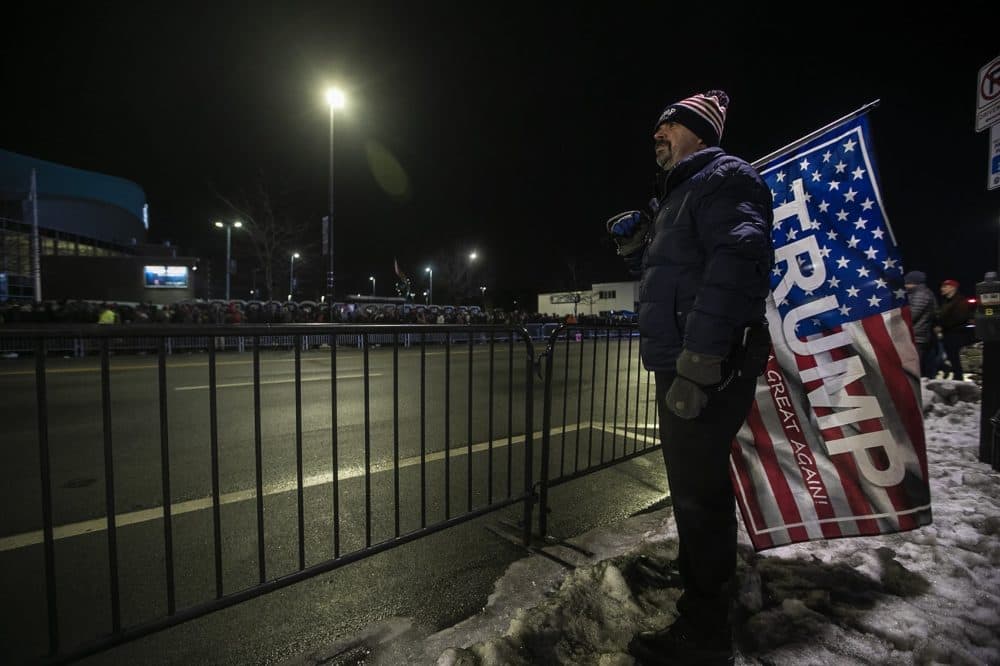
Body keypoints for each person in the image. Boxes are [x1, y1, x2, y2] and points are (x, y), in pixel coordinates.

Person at [607, 90, 773, 665]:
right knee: (691, 483)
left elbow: (734, 270)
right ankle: (697, 575)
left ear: (698, 130)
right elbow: (675, 275)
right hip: (682, 358)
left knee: (699, 492)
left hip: (706, 362)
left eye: (668, 126)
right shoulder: (680, 193)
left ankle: (704, 630)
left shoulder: (725, 179)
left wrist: (700, 365)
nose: (657, 136)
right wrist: (637, 248)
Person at [903, 270, 938, 378]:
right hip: (916, 335)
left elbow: (912, 315)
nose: (905, 285)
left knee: (913, 368)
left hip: (917, 336)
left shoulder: (921, 295)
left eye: (907, 282)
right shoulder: (917, 293)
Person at [936, 278, 971, 380]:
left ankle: (958, 380)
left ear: (953, 288)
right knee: (950, 358)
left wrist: (942, 326)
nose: (942, 289)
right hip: (948, 335)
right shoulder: (947, 302)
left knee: (955, 360)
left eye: (945, 286)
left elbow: (960, 318)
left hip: (955, 335)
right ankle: (956, 377)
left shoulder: (960, 301)